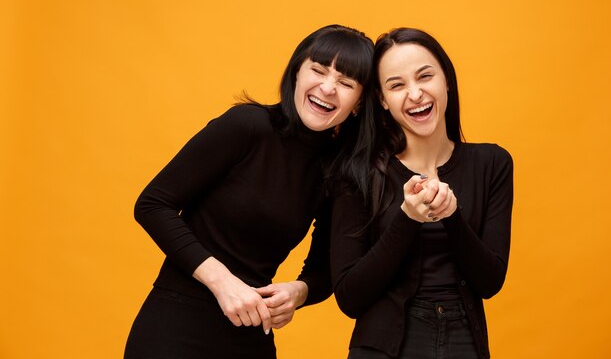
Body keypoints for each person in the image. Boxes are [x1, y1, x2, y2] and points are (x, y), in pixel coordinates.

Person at [124, 24, 375, 359]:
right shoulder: (247, 126)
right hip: (175, 325)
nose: (328, 88)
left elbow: (327, 267)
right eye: (317, 70)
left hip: (250, 334)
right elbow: (153, 204)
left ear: (358, 103)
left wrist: (297, 293)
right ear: (296, 73)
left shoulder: (338, 171)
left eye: (346, 83)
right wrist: (223, 283)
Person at [331, 28, 513, 359]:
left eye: (424, 76)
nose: (415, 94)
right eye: (396, 85)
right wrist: (407, 218)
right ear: (383, 100)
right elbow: (349, 297)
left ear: (446, 80)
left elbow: (490, 282)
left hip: (465, 341)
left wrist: (452, 216)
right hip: (383, 346)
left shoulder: (493, 163)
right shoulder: (358, 173)